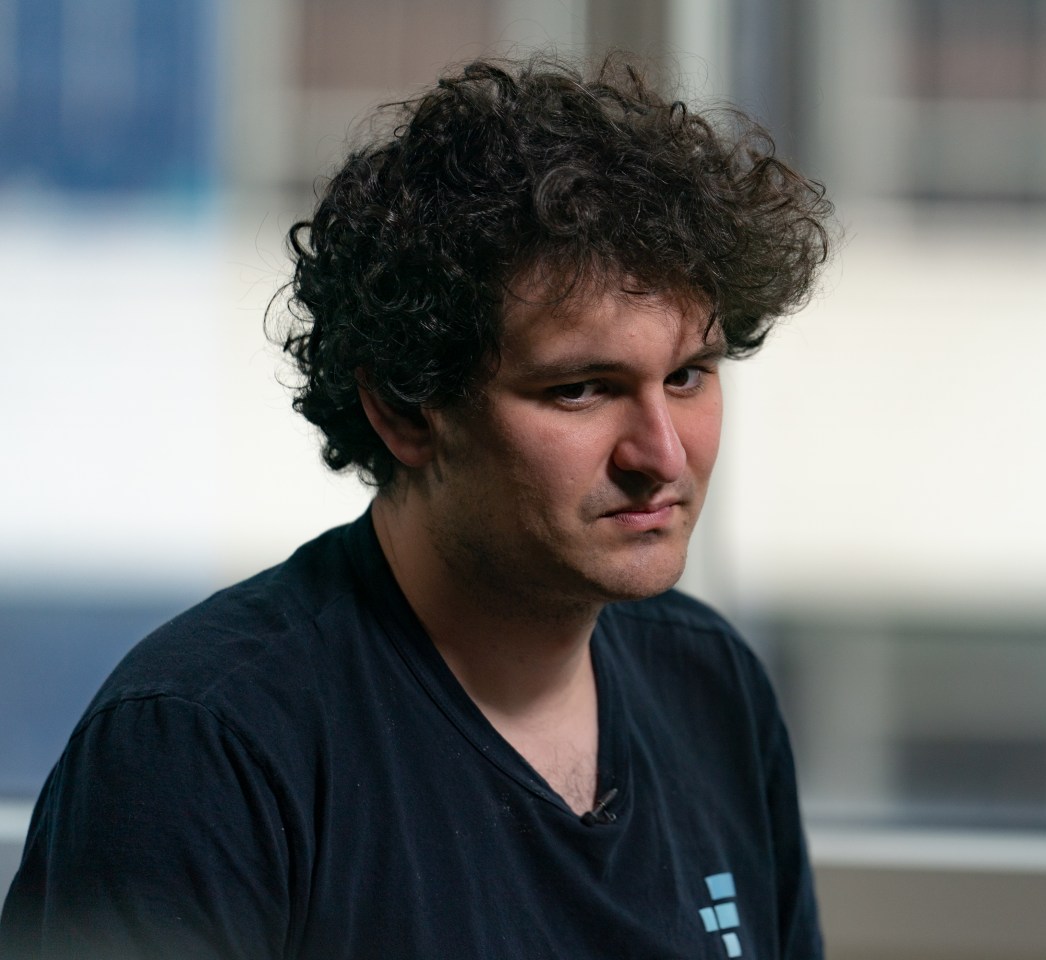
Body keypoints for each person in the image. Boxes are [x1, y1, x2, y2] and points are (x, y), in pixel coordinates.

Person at [0, 53, 833, 960]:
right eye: (581, 390)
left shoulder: (711, 688)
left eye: (688, 376)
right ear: (404, 411)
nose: (662, 455)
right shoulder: (196, 747)